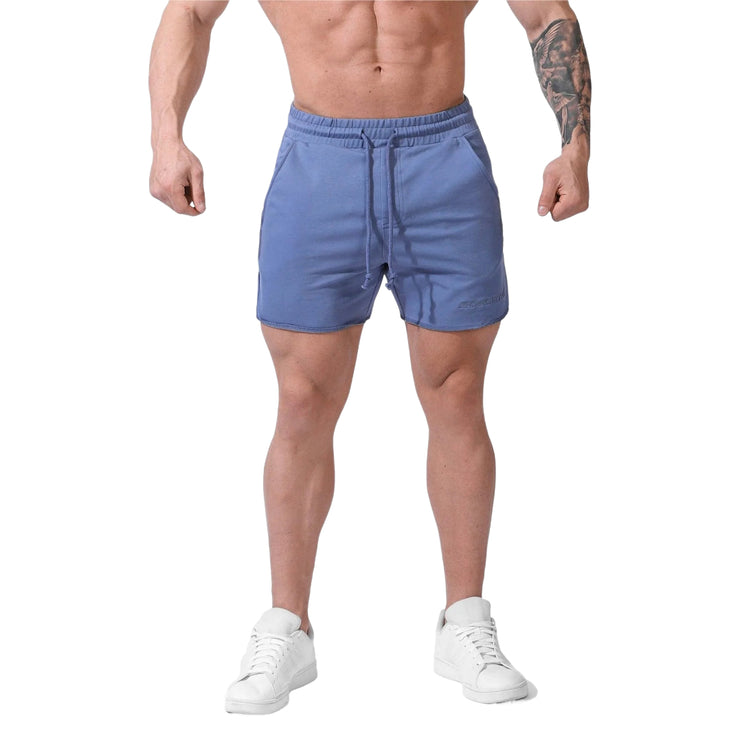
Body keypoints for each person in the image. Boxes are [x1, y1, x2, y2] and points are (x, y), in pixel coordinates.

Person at [149, 0, 591, 714]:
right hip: (319, 160)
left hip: (441, 158)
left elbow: (544, 16)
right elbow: (193, 12)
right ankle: (287, 625)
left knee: (456, 392)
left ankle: (465, 620)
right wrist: (167, 137)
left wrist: (574, 147)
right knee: (302, 399)